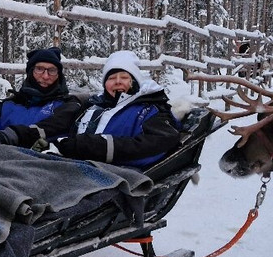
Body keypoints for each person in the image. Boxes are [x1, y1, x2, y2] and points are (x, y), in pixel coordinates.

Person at [50, 50, 181, 169]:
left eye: (124, 77)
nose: (117, 82)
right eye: (111, 78)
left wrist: (99, 147)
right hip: (73, 166)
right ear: (105, 84)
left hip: (111, 174)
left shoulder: (148, 108)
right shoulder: (92, 106)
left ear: (134, 81)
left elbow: (160, 143)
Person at [0, 47, 82, 150]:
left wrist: (13, 135)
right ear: (30, 71)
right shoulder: (6, 105)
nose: (45, 76)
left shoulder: (68, 104)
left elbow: (54, 126)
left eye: (52, 70)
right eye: (39, 69)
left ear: (58, 75)